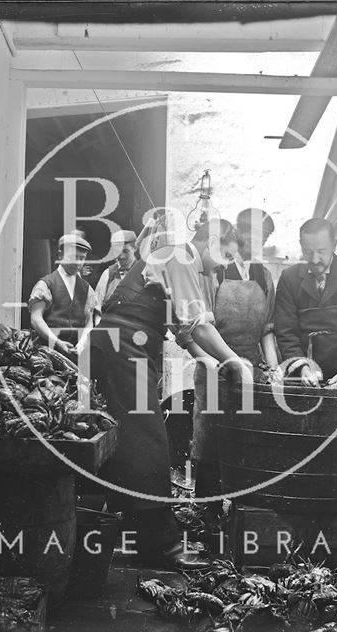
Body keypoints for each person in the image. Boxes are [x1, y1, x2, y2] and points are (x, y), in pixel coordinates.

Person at [87, 219, 253, 570]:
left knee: (123, 440)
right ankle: (159, 546)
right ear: (208, 240)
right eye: (224, 254)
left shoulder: (178, 263)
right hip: (123, 345)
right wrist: (236, 359)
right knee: (148, 440)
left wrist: (208, 360)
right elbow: (200, 326)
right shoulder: (181, 257)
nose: (223, 264)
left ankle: (127, 532)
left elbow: (183, 330)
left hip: (117, 345)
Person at [180, 208, 279, 515]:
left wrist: (273, 369)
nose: (255, 243)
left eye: (262, 238)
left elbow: (267, 330)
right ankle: (206, 513)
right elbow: (197, 326)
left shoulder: (264, 275)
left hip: (249, 369)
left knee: (246, 440)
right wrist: (212, 360)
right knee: (210, 439)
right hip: (214, 365)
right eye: (250, 235)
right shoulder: (216, 268)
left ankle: (241, 513)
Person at [274, 218, 337, 389]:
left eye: (321, 251)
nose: (314, 259)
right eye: (307, 251)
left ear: (334, 245)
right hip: (303, 378)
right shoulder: (289, 279)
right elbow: (285, 332)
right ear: (301, 245)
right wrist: (302, 367)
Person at [28, 233, 99, 358]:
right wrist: (57, 342)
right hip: (46, 352)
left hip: (74, 353)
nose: (78, 262)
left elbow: (89, 321)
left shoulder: (87, 289)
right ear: (60, 255)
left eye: (82, 258)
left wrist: (83, 342)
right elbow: (36, 318)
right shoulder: (46, 284)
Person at [95, 229, 138, 310]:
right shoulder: (108, 274)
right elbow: (97, 307)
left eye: (125, 251)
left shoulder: (143, 273)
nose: (121, 256)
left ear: (134, 248)